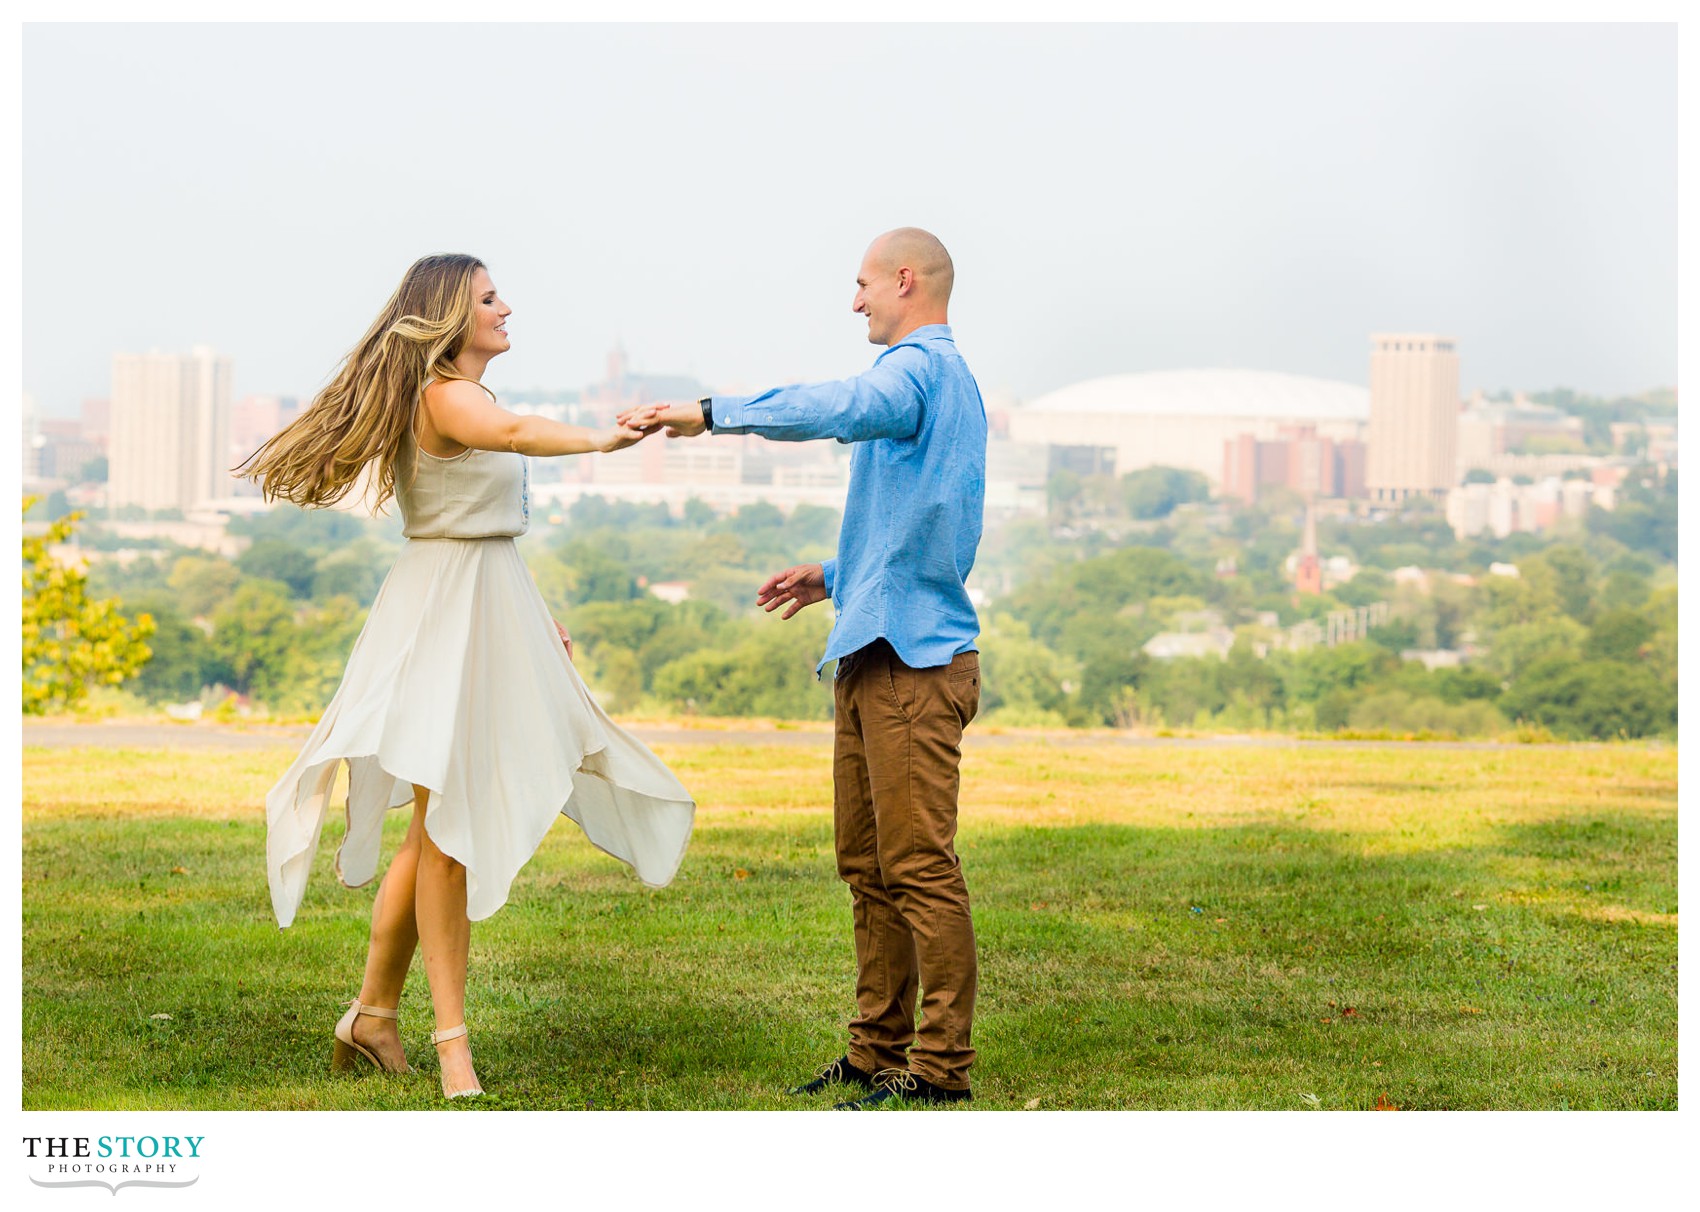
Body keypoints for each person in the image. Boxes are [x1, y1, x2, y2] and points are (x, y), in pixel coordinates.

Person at [240, 253, 696, 1100]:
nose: (507, 308)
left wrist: (533, 612)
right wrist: (606, 437)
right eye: (490, 299)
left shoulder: (459, 393)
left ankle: (373, 1016)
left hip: (481, 599)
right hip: (442, 613)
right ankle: (453, 1048)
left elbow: (483, 518)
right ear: (453, 314)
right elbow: (519, 437)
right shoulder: (449, 394)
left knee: (429, 833)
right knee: (445, 829)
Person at [623, 227, 986, 1109]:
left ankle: (939, 1072)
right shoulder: (934, 383)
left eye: (862, 285)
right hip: (871, 647)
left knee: (917, 867)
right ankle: (873, 1053)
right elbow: (920, 520)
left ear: (905, 281)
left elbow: (837, 407)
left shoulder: (919, 371)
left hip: (913, 663)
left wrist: (710, 412)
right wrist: (833, 575)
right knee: (866, 866)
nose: (854, 301)